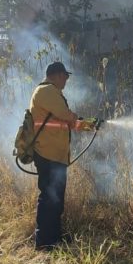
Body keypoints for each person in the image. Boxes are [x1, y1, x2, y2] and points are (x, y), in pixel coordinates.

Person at [29, 61, 91, 251]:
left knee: (55, 199)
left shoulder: (53, 93)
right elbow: (65, 115)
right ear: (55, 75)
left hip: (54, 155)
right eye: (65, 76)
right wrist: (80, 120)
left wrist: (89, 125)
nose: (66, 79)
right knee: (49, 198)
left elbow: (67, 121)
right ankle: (44, 243)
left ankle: (54, 238)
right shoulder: (46, 91)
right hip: (48, 154)